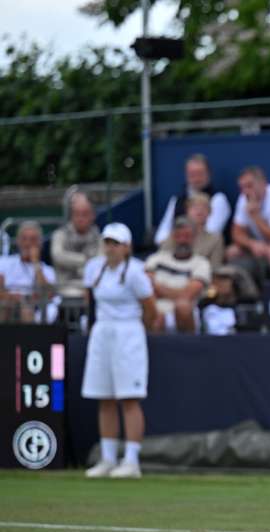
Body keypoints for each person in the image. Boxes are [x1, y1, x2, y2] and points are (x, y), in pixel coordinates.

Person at [82, 223, 156, 479]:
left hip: (128, 333)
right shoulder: (93, 268)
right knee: (104, 397)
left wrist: (136, 330)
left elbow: (150, 308)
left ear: (127, 247)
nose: (110, 248)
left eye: (116, 243)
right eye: (107, 243)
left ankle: (132, 461)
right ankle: (108, 459)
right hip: (102, 333)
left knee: (129, 398)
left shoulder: (136, 272)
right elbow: (89, 300)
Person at [145, 217, 211, 333]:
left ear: (194, 237)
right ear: (172, 237)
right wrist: (177, 291)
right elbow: (146, 288)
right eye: (178, 236)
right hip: (157, 311)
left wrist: (159, 288)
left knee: (182, 306)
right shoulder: (155, 259)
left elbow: (187, 295)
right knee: (154, 314)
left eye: (186, 236)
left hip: (186, 313)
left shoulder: (202, 263)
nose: (182, 240)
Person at [154, 154, 231, 246]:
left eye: (200, 174)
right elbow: (162, 233)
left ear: (209, 174)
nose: (196, 179)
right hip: (175, 250)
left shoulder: (218, 199)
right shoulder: (176, 200)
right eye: (192, 174)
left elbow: (211, 232)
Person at [0, 221, 58, 324]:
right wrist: (13, 297)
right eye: (24, 239)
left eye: (33, 240)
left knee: (26, 308)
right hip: (7, 307)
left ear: (40, 243)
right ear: (18, 241)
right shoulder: (4, 263)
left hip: (34, 309)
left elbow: (47, 294)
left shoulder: (47, 270)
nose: (27, 244)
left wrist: (35, 263)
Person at [50, 191, 103, 298]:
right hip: (65, 287)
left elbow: (100, 261)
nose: (80, 218)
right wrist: (86, 260)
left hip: (92, 288)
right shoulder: (60, 234)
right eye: (77, 214)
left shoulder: (100, 237)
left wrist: (75, 262)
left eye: (85, 214)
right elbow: (58, 256)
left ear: (92, 215)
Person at [160, 193, 226, 268]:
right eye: (195, 208)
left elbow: (215, 266)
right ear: (187, 212)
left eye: (204, 208)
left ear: (210, 212)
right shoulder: (176, 234)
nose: (200, 211)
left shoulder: (215, 239)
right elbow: (162, 257)